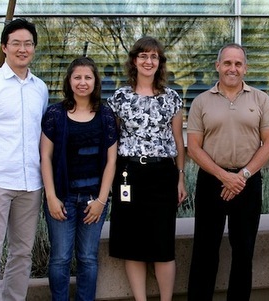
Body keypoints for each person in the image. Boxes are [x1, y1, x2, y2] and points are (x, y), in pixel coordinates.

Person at [187, 43, 269, 301]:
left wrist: (243, 175)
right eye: (227, 63)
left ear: (245, 68)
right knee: (205, 249)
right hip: (211, 181)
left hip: (248, 182)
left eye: (238, 64)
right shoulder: (201, 101)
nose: (232, 68)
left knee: (244, 250)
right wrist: (223, 176)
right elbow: (193, 147)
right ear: (218, 66)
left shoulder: (261, 99)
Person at [107, 36, 187, 301]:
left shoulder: (172, 98)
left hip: (162, 175)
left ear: (159, 62)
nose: (148, 61)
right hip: (128, 175)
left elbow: (178, 142)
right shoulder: (119, 97)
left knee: (162, 244)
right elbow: (113, 140)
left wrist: (180, 178)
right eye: (143, 56)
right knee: (133, 244)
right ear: (134, 60)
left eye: (154, 57)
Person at [0, 18, 49, 300]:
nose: (22, 49)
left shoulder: (39, 89)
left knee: (22, 253)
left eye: (27, 44)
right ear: (4, 47)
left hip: (30, 182)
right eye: (16, 43)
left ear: (33, 49)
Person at [40, 56, 118, 300]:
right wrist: (51, 197)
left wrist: (101, 201)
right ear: (69, 81)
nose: (82, 82)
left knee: (87, 258)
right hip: (62, 198)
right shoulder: (55, 114)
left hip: (94, 200)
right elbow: (45, 157)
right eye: (77, 77)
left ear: (95, 81)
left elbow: (111, 161)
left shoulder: (105, 116)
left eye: (87, 77)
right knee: (60, 258)